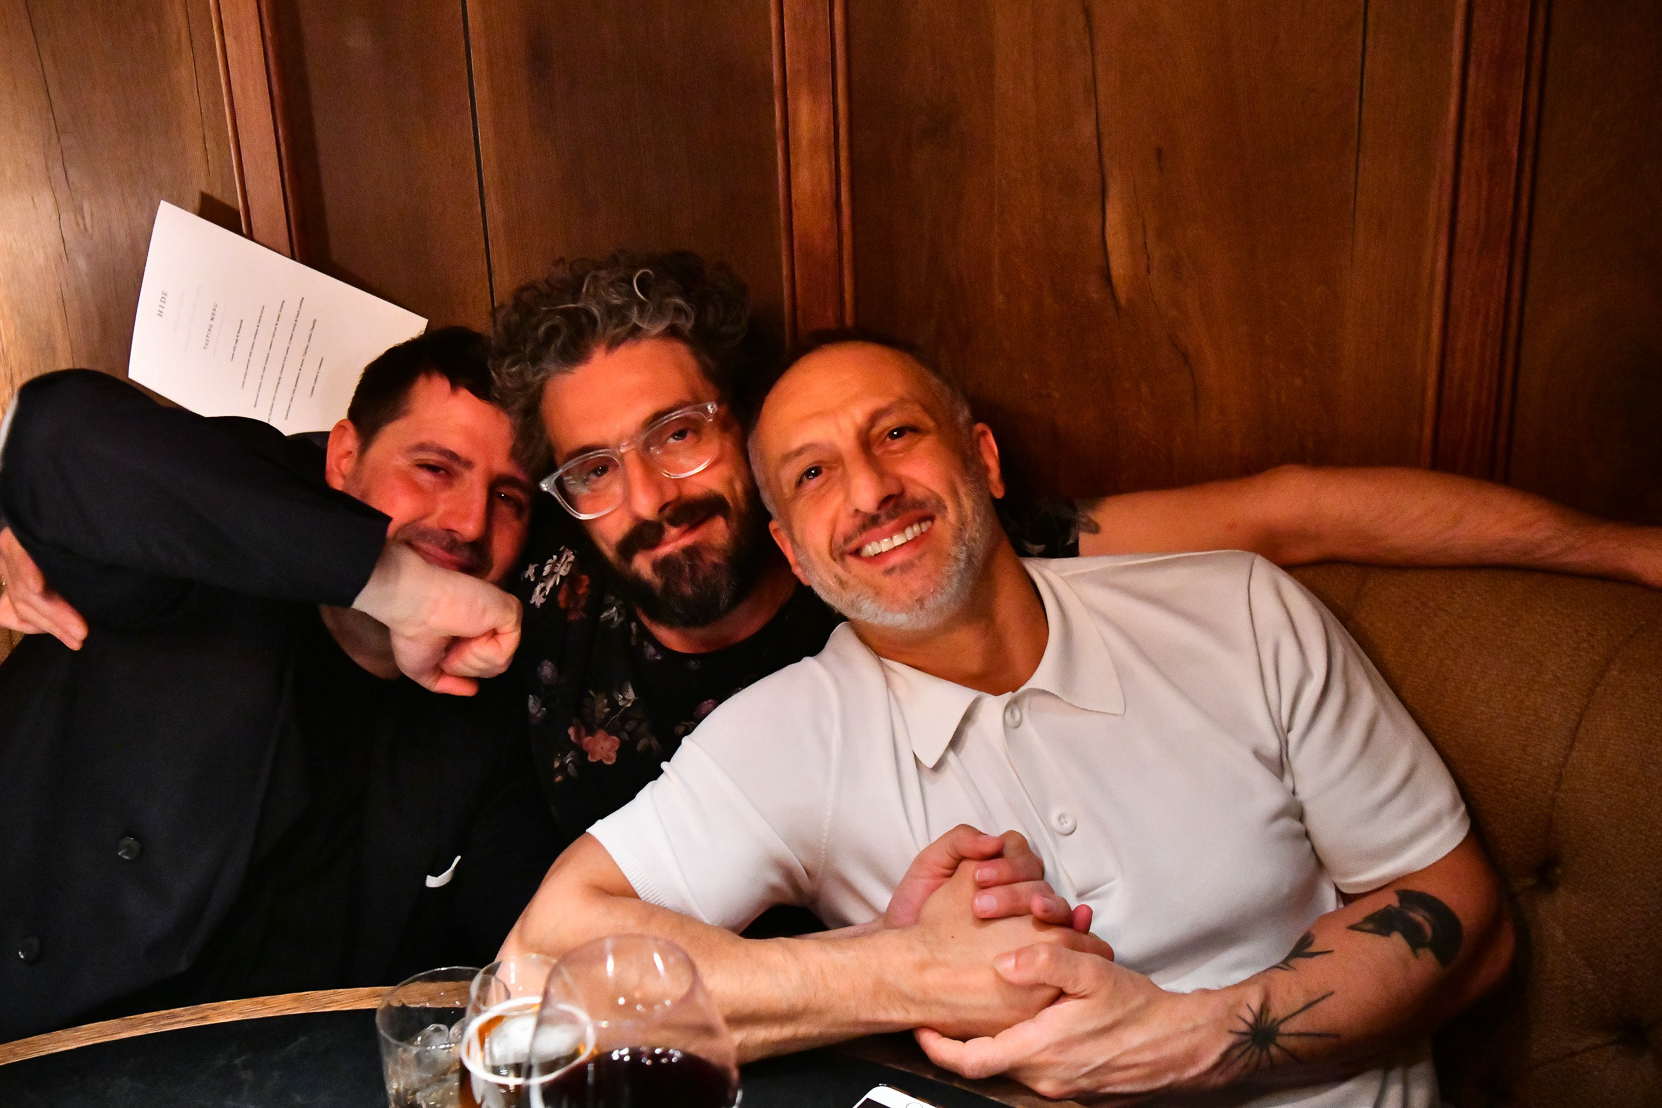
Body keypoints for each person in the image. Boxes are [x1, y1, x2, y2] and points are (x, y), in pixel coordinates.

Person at [506, 336, 1515, 1107]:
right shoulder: (785, 736)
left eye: (896, 434)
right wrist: (903, 971)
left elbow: (1465, 913)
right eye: (813, 473)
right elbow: (538, 974)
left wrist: (1186, 1038)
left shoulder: (1237, 612)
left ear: (983, 459)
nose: (871, 491)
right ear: (795, 554)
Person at [488, 251, 1662, 838]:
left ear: (750, 436)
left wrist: (1624, 552)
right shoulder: (540, 593)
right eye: (594, 467)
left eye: (679, 434)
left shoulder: (908, 554)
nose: (650, 495)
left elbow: (1290, 508)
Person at [0, 329, 560, 1108]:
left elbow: (532, 958)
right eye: (433, 467)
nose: (468, 522)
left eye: (509, 498)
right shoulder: (201, 543)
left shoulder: (482, 724)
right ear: (341, 459)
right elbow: (56, 434)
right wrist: (396, 587)